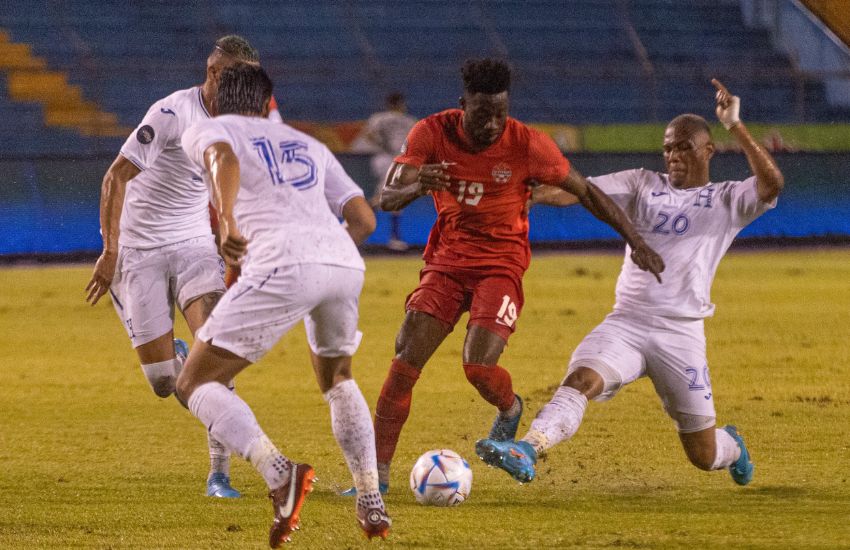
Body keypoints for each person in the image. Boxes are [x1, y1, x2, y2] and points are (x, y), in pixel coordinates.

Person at [365, 58, 664, 494]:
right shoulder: (431, 132)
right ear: (462, 104)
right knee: (404, 361)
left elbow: (587, 192)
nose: (492, 124)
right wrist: (418, 185)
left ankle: (509, 408)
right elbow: (386, 197)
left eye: (500, 113)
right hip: (446, 263)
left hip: (501, 265)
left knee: (478, 367)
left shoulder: (527, 144)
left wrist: (635, 239)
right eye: (483, 114)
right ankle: (376, 478)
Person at [476, 79, 783, 487]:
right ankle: (528, 447)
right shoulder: (643, 182)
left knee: (704, 454)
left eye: (684, 146)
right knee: (581, 380)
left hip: (680, 332)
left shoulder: (727, 199)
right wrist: (533, 196)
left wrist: (735, 125)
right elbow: (581, 191)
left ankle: (732, 445)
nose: (673, 155)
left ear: (708, 150)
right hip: (627, 322)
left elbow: (772, 184)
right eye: (668, 147)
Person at [176, 63, 390, 546]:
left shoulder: (211, 126)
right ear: (267, 101)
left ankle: (279, 473)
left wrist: (228, 219)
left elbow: (220, 157)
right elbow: (363, 219)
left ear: (219, 97)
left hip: (280, 262)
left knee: (193, 381)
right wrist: (324, 258)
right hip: (342, 262)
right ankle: (371, 500)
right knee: (338, 378)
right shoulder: (307, 143)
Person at [84, 35, 263, 499]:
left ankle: (219, 474)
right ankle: (177, 360)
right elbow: (115, 176)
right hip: (138, 253)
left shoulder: (240, 120)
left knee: (217, 360)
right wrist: (110, 251)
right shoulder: (170, 112)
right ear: (215, 74)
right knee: (166, 383)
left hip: (193, 248)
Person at [351, 92, 418, 251]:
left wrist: (383, 144)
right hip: (396, 160)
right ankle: (352, 226)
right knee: (385, 198)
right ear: (401, 104)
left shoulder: (379, 118)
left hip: (382, 159)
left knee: (395, 198)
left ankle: (394, 238)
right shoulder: (409, 120)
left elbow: (368, 135)